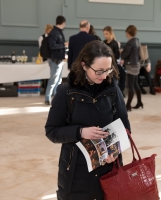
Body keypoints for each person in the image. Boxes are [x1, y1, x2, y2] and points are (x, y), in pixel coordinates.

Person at [45, 40, 130, 200]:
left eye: (108, 70)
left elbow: (124, 126)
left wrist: (115, 151)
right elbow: (52, 131)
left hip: (108, 169)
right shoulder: (66, 92)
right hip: (76, 171)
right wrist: (80, 132)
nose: (104, 76)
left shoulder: (113, 90)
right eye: (99, 71)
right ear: (84, 65)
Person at [45, 15, 68, 105]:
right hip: (55, 60)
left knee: (58, 80)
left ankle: (55, 97)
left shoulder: (58, 32)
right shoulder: (55, 32)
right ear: (63, 23)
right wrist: (64, 45)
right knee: (53, 80)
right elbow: (52, 46)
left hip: (59, 59)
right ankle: (47, 98)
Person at [121, 25, 142, 111]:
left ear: (128, 32)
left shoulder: (130, 42)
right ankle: (139, 102)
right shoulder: (137, 41)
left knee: (130, 85)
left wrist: (121, 52)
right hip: (136, 64)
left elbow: (125, 54)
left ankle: (128, 105)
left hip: (131, 65)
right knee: (135, 83)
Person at [103, 26, 126, 96]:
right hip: (104, 64)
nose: (105, 36)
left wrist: (109, 56)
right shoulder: (103, 42)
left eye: (106, 34)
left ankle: (120, 90)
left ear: (110, 33)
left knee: (122, 75)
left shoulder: (114, 43)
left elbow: (117, 56)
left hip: (113, 64)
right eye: (104, 34)